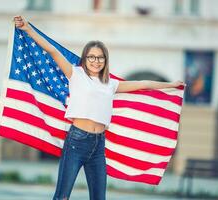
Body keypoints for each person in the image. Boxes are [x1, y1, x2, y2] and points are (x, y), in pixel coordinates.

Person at [14, 15, 185, 200]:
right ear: (85, 58)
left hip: (98, 145)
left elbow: (142, 84)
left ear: (105, 60)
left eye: (100, 57)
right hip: (76, 141)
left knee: (99, 197)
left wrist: (171, 85)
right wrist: (28, 29)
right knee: (62, 196)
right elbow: (53, 51)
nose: (96, 61)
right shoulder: (76, 74)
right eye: (92, 57)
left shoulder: (110, 84)